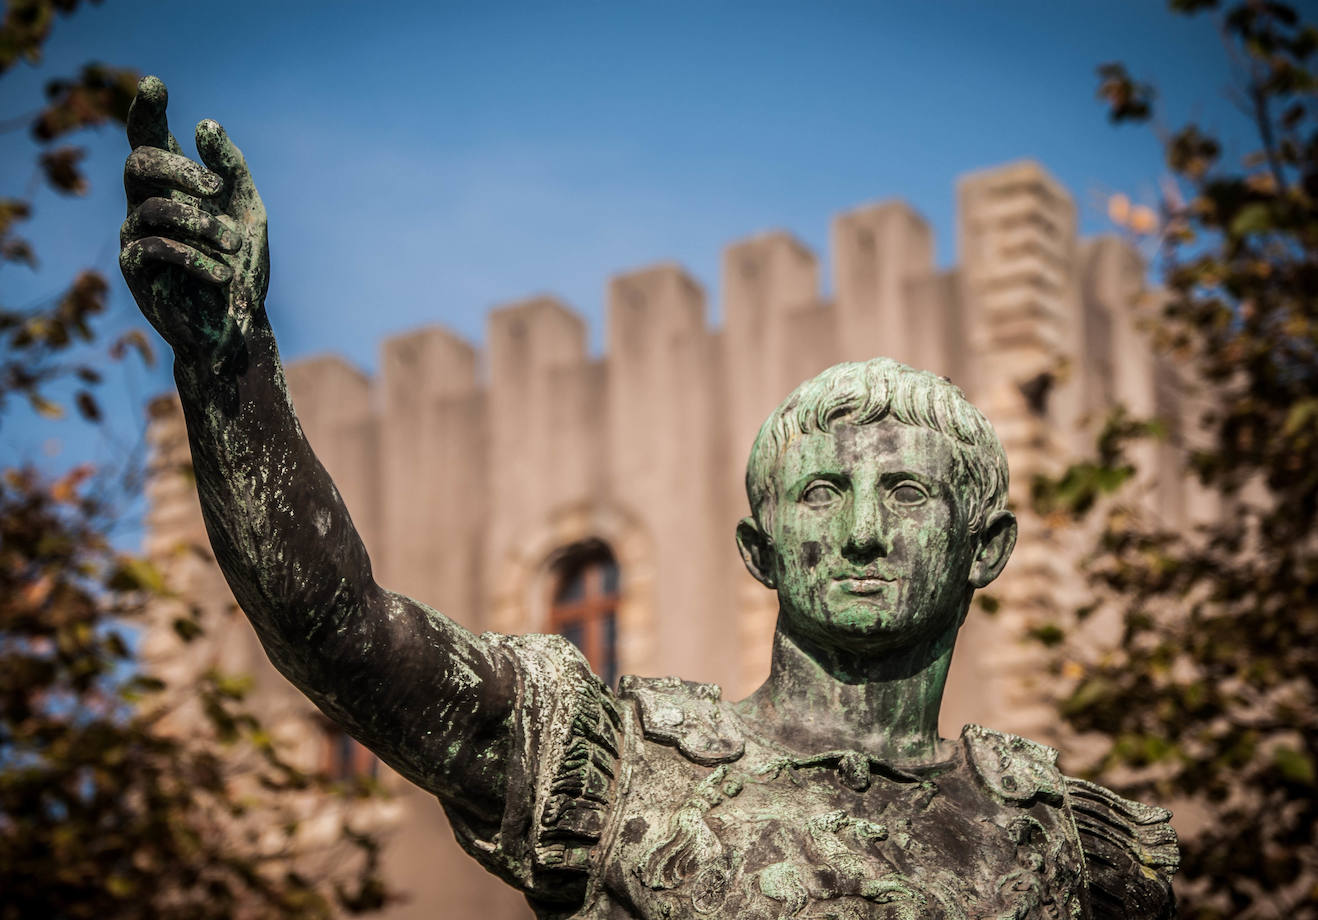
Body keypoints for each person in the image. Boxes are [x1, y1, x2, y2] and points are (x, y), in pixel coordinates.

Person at [120, 76, 1178, 919]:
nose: (859, 529)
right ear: (758, 552)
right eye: (819, 493)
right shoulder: (609, 764)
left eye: (903, 490)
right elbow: (339, 629)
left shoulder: (1079, 853)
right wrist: (231, 366)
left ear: (985, 546)